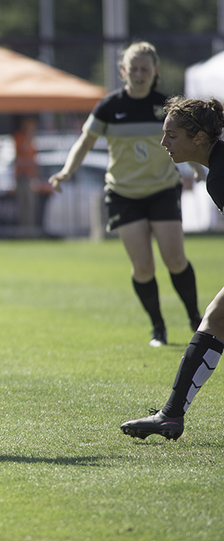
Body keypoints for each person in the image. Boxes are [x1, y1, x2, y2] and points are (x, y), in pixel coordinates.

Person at [49, 42, 202, 347]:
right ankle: (158, 328)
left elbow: (185, 143)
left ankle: (196, 319)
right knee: (143, 266)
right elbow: (84, 142)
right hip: (123, 194)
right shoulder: (109, 106)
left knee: (174, 258)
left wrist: (198, 168)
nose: (140, 74)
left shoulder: (167, 107)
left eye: (145, 69)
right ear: (123, 71)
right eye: (134, 68)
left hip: (162, 189)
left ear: (155, 72)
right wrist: (66, 171)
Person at [121, 96, 224, 440]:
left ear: (198, 138)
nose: (163, 143)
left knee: (215, 318)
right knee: (216, 318)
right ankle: (171, 415)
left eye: (171, 135)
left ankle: (171, 414)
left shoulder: (220, 174)